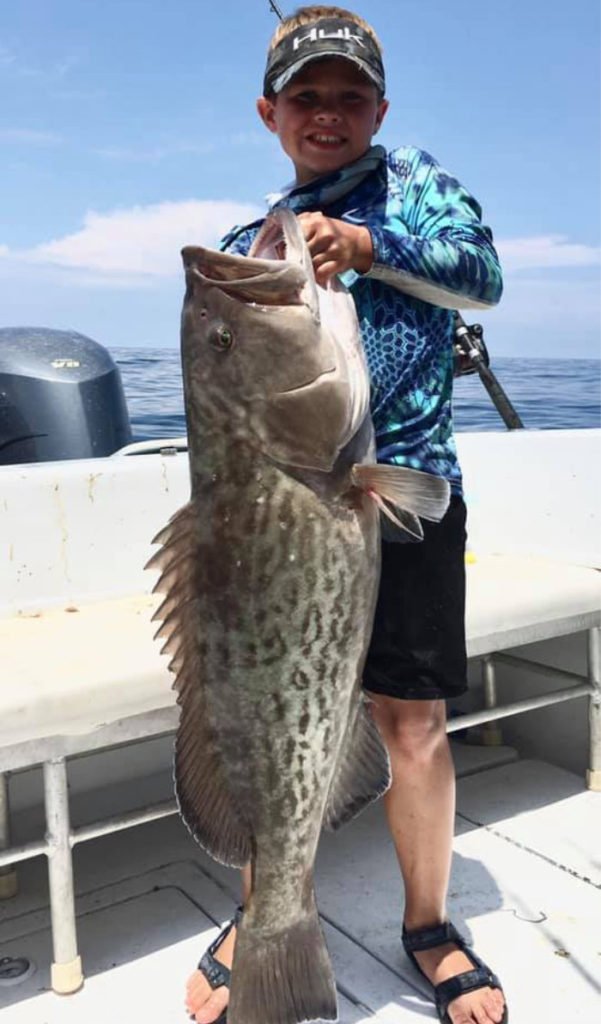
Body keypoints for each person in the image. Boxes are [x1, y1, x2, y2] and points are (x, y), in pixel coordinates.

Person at [185, 6, 507, 1024]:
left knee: (409, 724)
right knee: (257, 720)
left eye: (347, 96)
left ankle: (426, 923)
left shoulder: (417, 187)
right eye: (305, 98)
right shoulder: (254, 239)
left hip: (400, 495)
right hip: (271, 526)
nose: (327, 114)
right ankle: (267, 908)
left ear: (378, 106)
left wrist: (366, 243)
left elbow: (482, 278)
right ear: (268, 113)